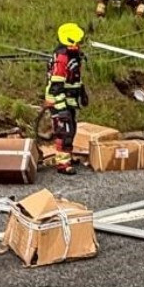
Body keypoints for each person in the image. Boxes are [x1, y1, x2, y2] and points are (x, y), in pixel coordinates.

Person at [46, 23, 88, 175]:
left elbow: (74, 79)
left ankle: (68, 157)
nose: (80, 44)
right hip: (59, 101)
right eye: (77, 41)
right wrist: (61, 107)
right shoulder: (62, 58)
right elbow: (56, 85)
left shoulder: (72, 56)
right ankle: (63, 164)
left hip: (69, 99)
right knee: (64, 131)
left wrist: (82, 93)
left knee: (71, 129)